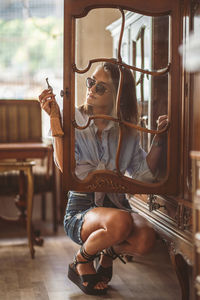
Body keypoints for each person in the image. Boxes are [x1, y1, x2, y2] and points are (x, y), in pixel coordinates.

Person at [39, 61, 168, 295]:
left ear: (118, 96)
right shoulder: (73, 118)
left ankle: (106, 255)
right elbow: (65, 168)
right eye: (91, 82)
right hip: (81, 209)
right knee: (121, 222)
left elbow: (142, 174)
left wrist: (160, 138)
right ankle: (82, 261)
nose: (91, 89)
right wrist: (55, 119)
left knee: (146, 238)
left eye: (100, 88)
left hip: (116, 206)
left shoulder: (126, 129)